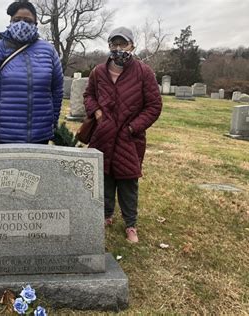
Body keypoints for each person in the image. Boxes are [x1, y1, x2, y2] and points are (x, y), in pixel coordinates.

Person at [83, 26, 162, 243]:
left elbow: (154, 106)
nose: (118, 48)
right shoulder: (99, 71)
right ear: (109, 46)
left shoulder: (143, 72)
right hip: (103, 134)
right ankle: (106, 215)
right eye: (114, 44)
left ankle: (130, 224)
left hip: (129, 137)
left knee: (128, 181)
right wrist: (96, 111)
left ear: (132, 46)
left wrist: (132, 128)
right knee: (105, 176)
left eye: (123, 44)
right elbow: (89, 95)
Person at [0, 0, 63, 145]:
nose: (22, 24)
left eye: (27, 20)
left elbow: (57, 89)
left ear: (35, 23)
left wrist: (52, 122)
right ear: (10, 21)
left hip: (40, 134)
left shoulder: (49, 51)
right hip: (5, 134)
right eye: (17, 20)